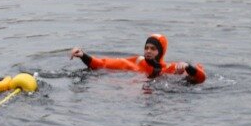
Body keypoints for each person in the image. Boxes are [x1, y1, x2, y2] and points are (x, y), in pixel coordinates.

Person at [70, 34, 206, 83]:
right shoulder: (137, 62)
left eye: (153, 48)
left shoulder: (172, 69)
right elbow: (102, 63)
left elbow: (201, 78)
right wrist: (83, 55)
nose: (148, 51)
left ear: (161, 51)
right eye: (146, 47)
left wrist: (188, 66)